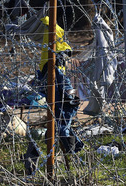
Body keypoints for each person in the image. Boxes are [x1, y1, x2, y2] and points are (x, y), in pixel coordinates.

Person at [24, 16, 83, 175]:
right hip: (52, 75)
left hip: (53, 75)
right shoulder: (52, 29)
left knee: (63, 114)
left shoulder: (54, 32)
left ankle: (71, 145)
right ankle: (71, 145)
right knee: (64, 115)